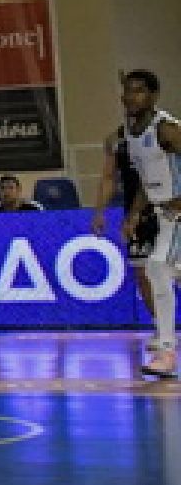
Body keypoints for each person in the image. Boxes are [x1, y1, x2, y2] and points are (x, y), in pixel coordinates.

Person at [116, 70, 181, 379]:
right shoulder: (130, 132)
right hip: (162, 212)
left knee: (157, 267)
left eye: (139, 91)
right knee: (169, 272)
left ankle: (166, 350)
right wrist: (134, 214)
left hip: (177, 211)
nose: (131, 96)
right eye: (128, 90)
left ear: (154, 96)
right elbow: (147, 179)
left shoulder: (167, 129)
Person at [91, 116, 162, 344]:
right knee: (142, 273)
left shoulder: (163, 131)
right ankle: (162, 327)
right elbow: (108, 178)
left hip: (167, 208)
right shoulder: (115, 140)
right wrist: (99, 212)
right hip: (135, 213)